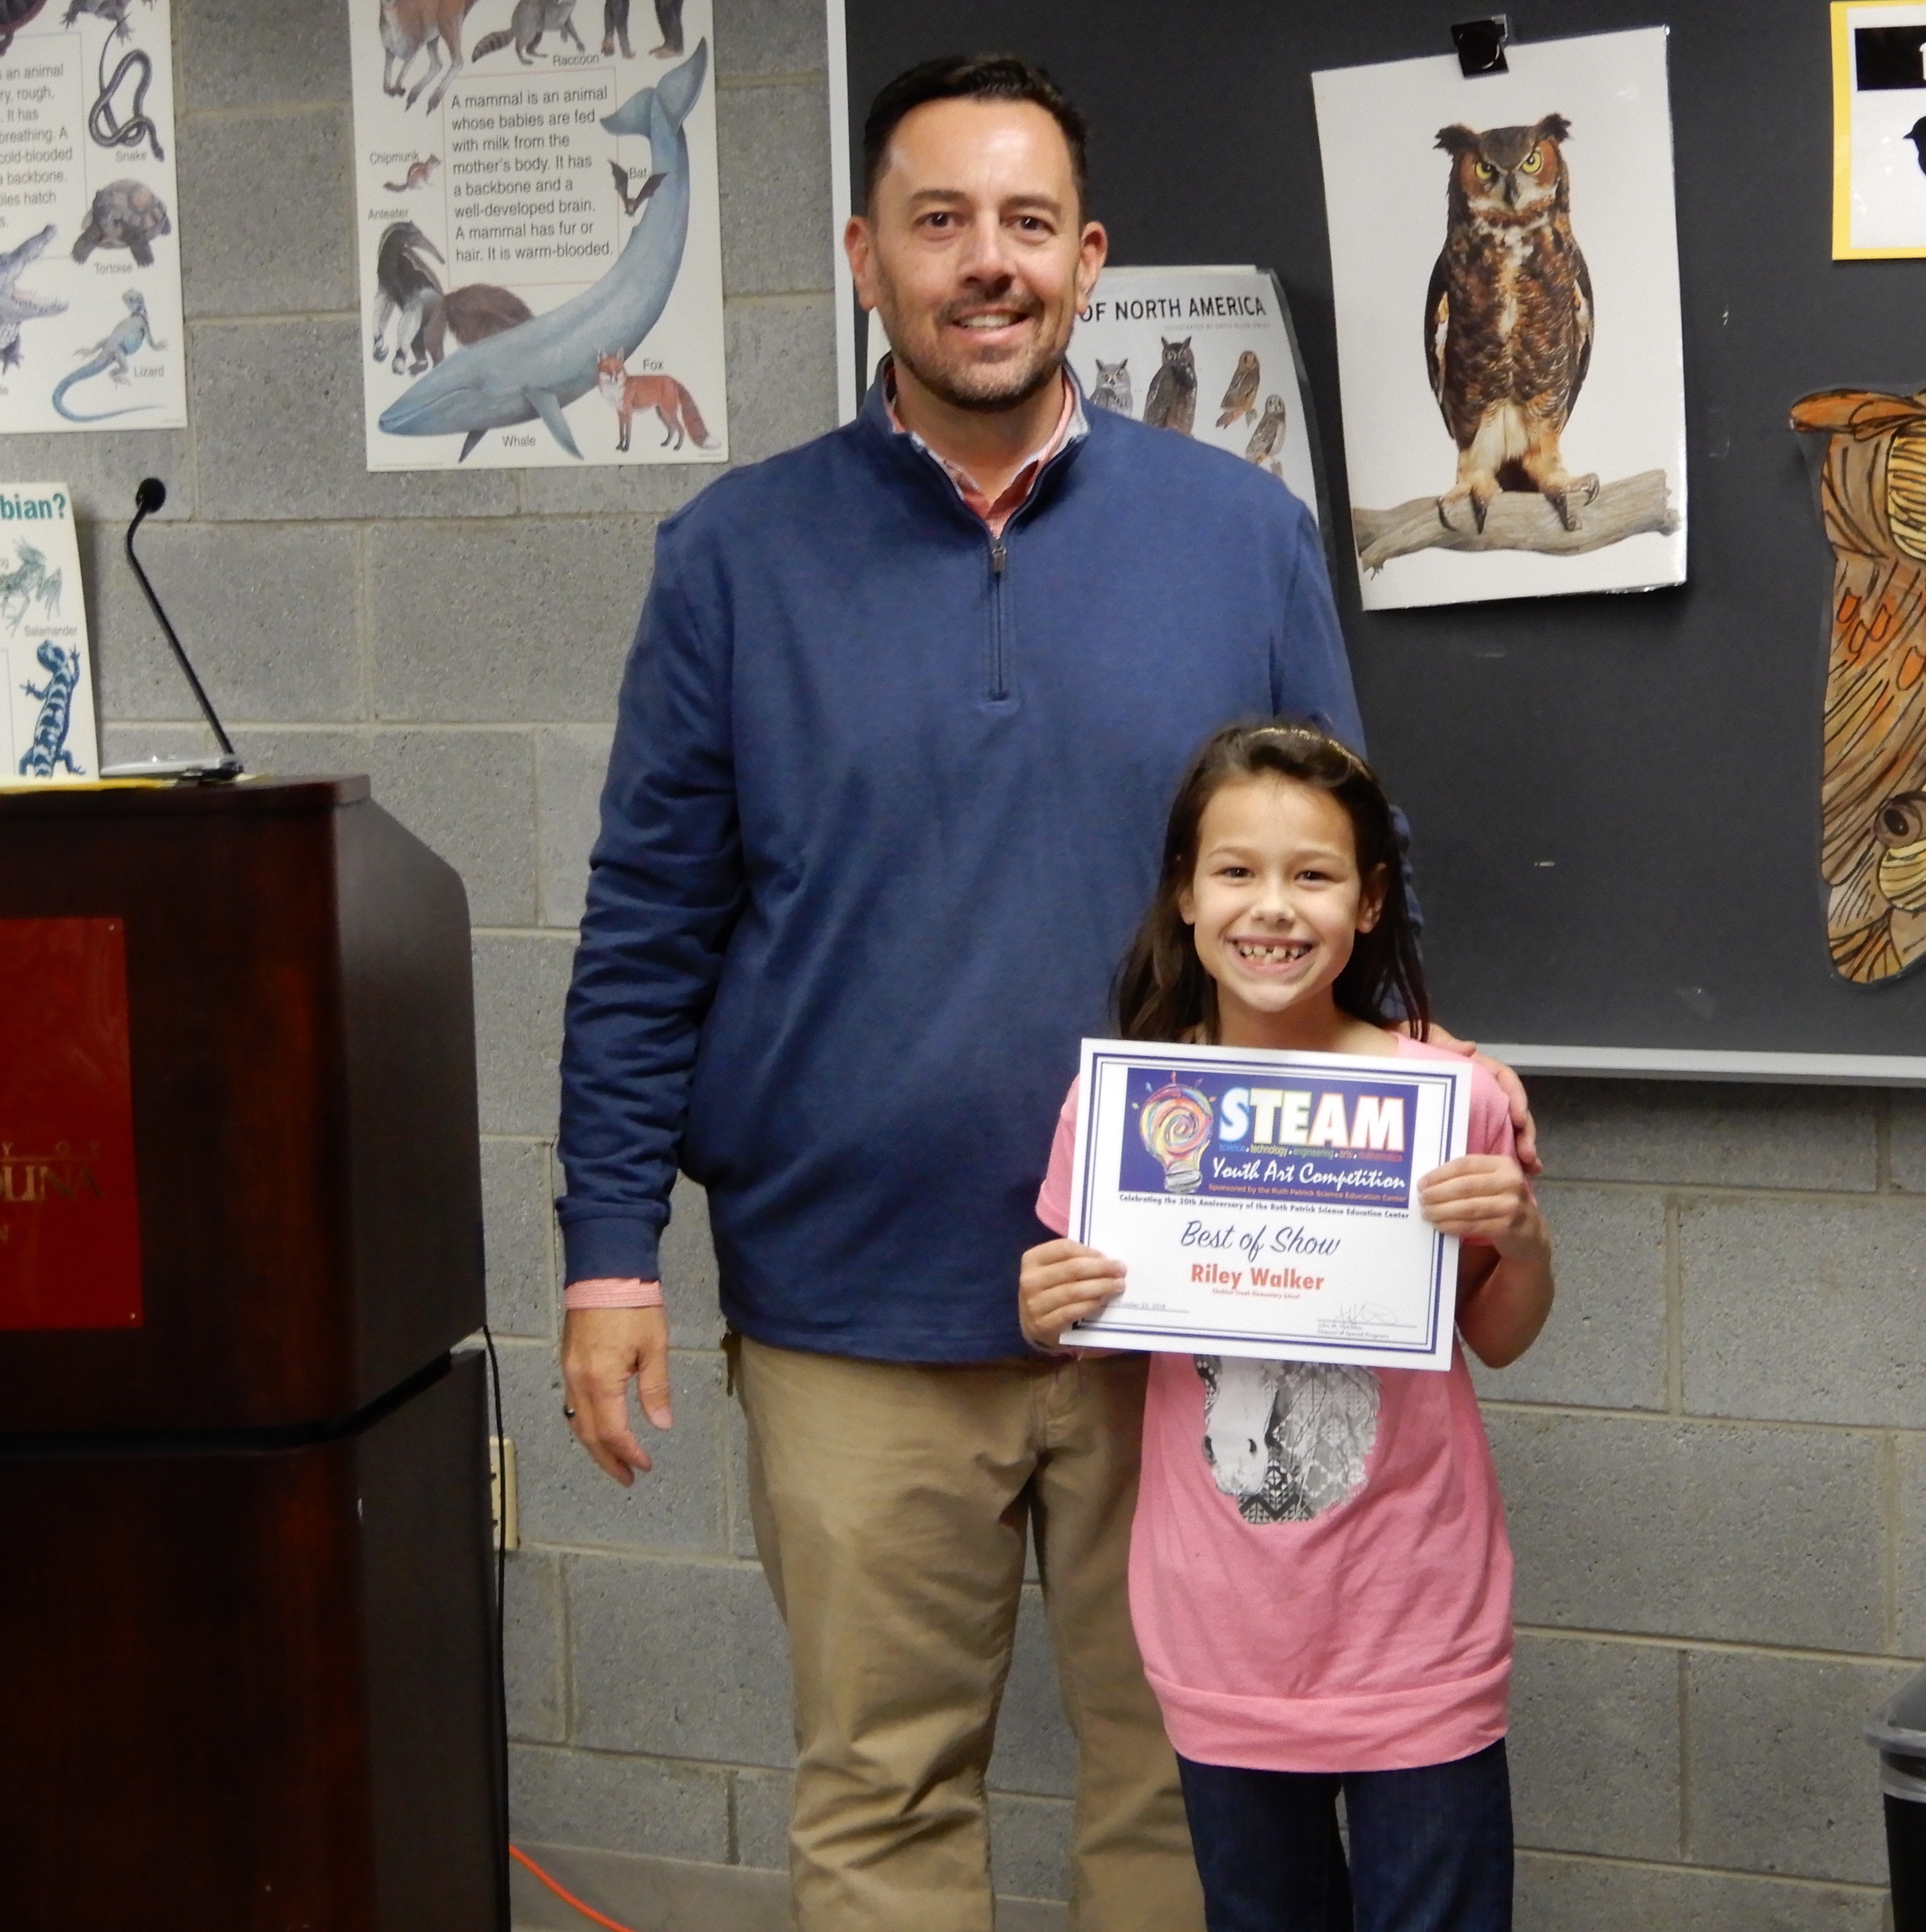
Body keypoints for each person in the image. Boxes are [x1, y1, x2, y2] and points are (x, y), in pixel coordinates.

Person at [553, 50, 1530, 1932]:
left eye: (1025, 223)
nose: (983, 261)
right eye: (938, 222)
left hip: (1172, 1308)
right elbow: (647, 927)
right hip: (852, 1307)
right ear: (866, 258)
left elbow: (1341, 864)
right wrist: (610, 1255)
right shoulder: (733, 559)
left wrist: (1434, 1074)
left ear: (1088, 260)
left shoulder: (1235, 532)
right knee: (881, 1792)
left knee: (1179, 1793)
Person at [1022, 724, 1555, 1932]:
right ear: (1185, 894)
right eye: (1236, 871)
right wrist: (1046, 1311)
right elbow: (1090, 1322)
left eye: (1313, 875)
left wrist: (1526, 1242)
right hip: (1222, 1634)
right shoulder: (1123, 1107)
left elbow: (1501, 1335)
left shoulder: (1451, 1099)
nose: (1273, 907)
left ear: (1369, 903)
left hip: (1417, 1625)